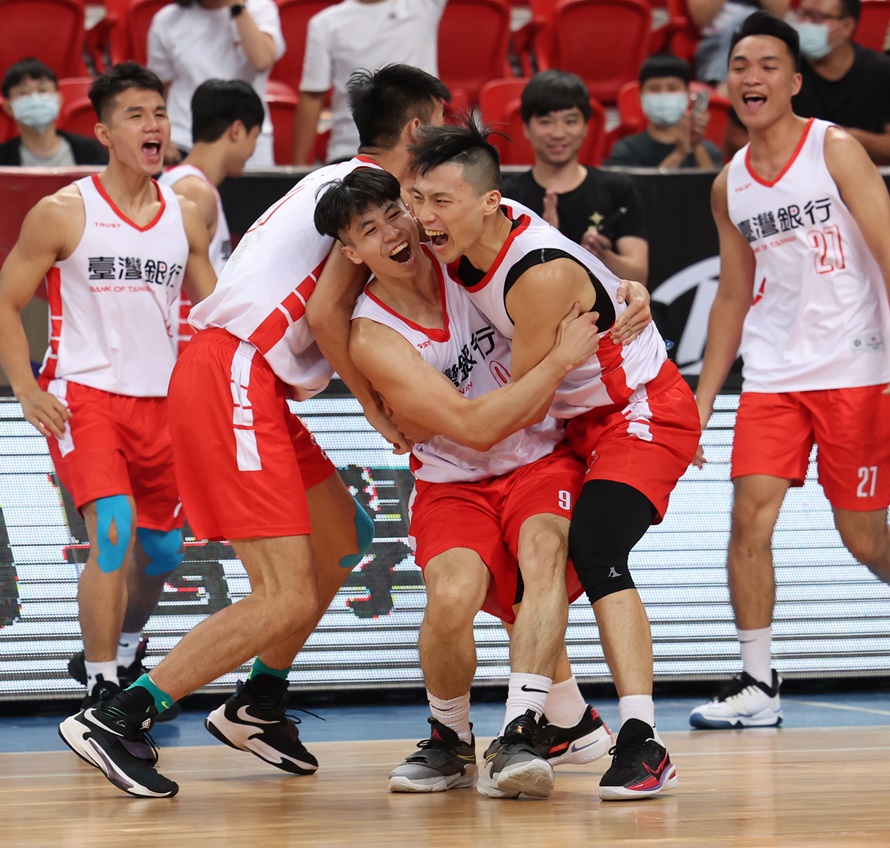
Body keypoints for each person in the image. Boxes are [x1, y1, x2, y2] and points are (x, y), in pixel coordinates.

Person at [56, 63, 453, 799]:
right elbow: (326, 314)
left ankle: (259, 702)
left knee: (345, 537)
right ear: (417, 127)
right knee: (284, 594)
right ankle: (117, 717)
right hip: (232, 372)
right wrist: (377, 409)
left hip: (248, 378)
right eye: (444, 120)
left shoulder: (345, 181)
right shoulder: (368, 197)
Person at [409, 118, 702, 800]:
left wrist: (429, 418)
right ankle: (565, 722)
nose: (424, 217)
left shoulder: (535, 274)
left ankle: (643, 741)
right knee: (518, 571)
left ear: (489, 202)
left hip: (635, 411)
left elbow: (521, 404)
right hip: (579, 421)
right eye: (418, 199)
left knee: (594, 549)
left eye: (439, 201)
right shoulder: (466, 233)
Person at [314, 167, 613, 799]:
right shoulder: (374, 336)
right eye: (369, 229)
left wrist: (624, 292)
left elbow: (562, 267)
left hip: (539, 459)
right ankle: (451, 739)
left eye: (395, 213)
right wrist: (559, 360)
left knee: (543, 556)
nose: (393, 232)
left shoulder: (464, 254)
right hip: (453, 480)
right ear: (352, 253)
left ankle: (523, 731)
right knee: (451, 598)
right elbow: (476, 430)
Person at [689, 12, 890, 729]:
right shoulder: (729, 185)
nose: (752, 77)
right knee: (748, 515)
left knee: (864, 539)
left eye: (768, 65)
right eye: (740, 66)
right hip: (774, 375)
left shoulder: (834, 150)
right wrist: (702, 400)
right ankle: (757, 681)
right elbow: (732, 296)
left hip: (856, 367)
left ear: (795, 81)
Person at [0, 63, 216, 713]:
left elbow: (218, 316)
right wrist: (25, 389)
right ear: (103, 134)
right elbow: (6, 301)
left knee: (162, 554)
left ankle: (122, 648)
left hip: (164, 406)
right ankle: (101, 685)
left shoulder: (186, 217)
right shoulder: (62, 211)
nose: (153, 125)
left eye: (160, 113)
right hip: (85, 396)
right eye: (136, 115)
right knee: (114, 532)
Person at [500, 70, 649, 286]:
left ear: (586, 127)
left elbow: (639, 277)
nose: (558, 133)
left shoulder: (618, 190)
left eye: (570, 121)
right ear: (526, 128)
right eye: (546, 122)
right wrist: (544, 245)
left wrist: (601, 256)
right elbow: (496, 277)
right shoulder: (508, 198)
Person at [159, 79, 264, 350]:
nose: (253, 151)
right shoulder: (194, 192)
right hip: (187, 343)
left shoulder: (190, 185)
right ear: (237, 131)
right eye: (255, 137)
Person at [294, 0, 446, 165]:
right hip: (351, 151)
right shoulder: (324, 23)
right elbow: (312, 95)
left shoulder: (424, 4)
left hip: (421, 149)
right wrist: (298, 169)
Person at [148, 0, 285, 167]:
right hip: (185, 140)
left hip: (248, 141)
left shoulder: (260, 8)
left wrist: (237, 7)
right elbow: (160, 89)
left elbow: (262, 60)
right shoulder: (167, 19)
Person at [790, 0, 890, 165]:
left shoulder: (881, 71)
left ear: (847, 26)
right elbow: (746, 136)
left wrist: (847, 138)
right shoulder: (785, 68)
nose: (806, 23)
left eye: (818, 18)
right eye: (802, 14)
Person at [606, 55, 724, 170]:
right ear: (640, 98)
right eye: (654, 89)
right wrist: (679, 153)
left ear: (688, 95)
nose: (664, 94)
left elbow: (716, 182)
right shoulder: (626, 150)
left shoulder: (709, 150)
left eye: (672, 88)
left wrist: (695, 145)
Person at [0, 58, 108, 166]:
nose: (35, 99)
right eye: (23, 93)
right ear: (8, 108)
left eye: (42, 90)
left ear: (58, 100)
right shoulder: (2, 159)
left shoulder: (91, 151)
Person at [689, 0, 792, 88]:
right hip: (715, 46)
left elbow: (780, 13)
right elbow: (701, 18)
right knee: (748, 20)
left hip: (762, 43)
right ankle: (720, 83)